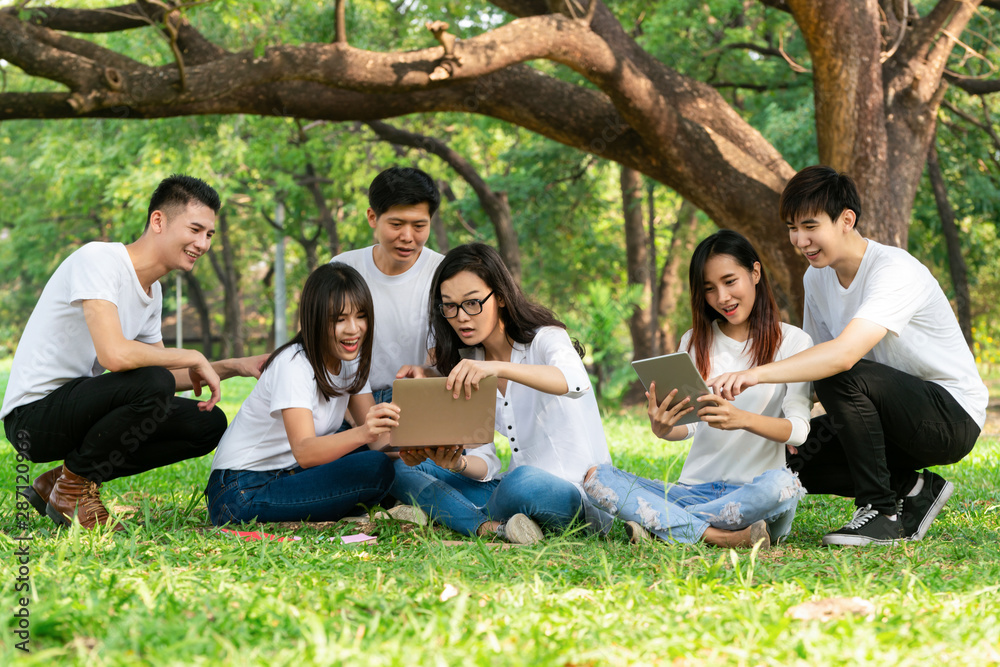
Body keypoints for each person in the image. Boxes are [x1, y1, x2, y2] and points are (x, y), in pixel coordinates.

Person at [711, 166, 987, 546]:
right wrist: (777, 423)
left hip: (948, 417)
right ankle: (915, 489)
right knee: (789, 461)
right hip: (889, 416)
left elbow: (839, 358)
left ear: (846, 220)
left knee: (839, 370)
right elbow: (811, 371)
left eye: (810, 226)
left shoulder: (895, 270)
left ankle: (881, 514)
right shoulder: (817, 278)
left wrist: (756, 374)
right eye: (792, 227)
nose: (800, 240)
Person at [2, 175, 265, 530]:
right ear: (158, 221)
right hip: (33, 418)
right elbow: (115, 357)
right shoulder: (99, 259)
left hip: (79, 411)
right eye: (195, 229)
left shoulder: (152, 293)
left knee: (207, 423)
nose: (202, 244)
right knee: (152, 381)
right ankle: (74, 490)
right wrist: (192, 355)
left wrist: (234, 365)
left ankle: (64, 480)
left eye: (209, 235)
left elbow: (166, 379)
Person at [583, 230, 811, 548]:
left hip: (755, 492)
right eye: (709, 289)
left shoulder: (794, 342)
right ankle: (717, 536)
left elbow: (798, 431)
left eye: (730, 281)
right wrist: (664, 428)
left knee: (783, 486)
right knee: (597, 478)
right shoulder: (694, 341)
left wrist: (741, 418)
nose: (722, 298)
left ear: (755, 273)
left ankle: (666, 521)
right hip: (694, 488)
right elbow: (689, 425)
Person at [388, 243, 612, 544]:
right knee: (403, 471)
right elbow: (485, 462)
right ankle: (494, 528)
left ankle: (454, 513)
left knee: (521, 482)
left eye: (473, 303)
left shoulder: (546, 339)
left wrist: (499, 369)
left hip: (572, 494)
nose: (461, 317)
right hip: (508, 489)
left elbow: (574, 381)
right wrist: (457, 463)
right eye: (449, 306)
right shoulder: (471, 364)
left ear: (502, 298)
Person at [205, 263, 397, 525]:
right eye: (339, 319)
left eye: (360, 315)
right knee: (374, 467)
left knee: (373, 455)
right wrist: (365, 432)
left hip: (290, 474)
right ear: (315, 319)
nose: (353, 329)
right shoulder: (294, 364)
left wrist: (423, 447)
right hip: (241, 491)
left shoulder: (350, 360)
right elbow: (305, 452)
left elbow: (379, 442)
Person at [331, 166, 444, 408]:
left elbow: (441, 351)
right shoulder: (343, 269)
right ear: (372, 217)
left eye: (419, 226)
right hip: (347, 402)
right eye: (396, 224)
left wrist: (425, 375)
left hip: (418, 399)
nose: (407, 236)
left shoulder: (443, 273)